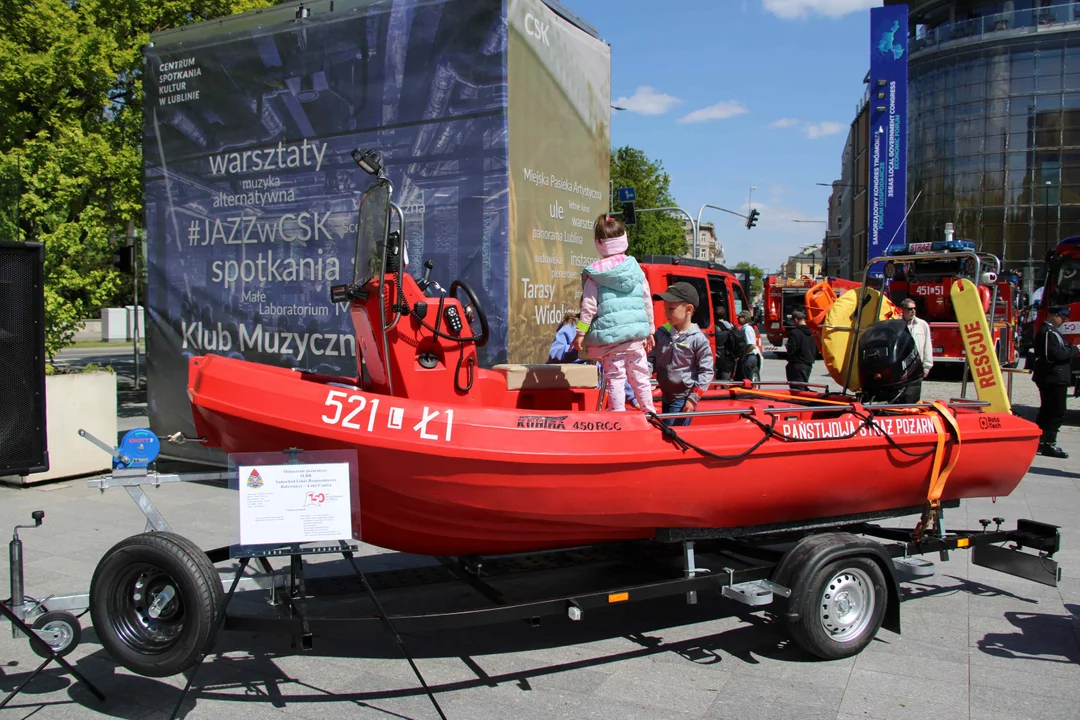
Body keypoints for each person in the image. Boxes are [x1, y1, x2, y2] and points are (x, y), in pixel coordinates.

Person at [573, 216, 656, 413]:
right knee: (641, 376)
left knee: (615, 379)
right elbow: (647, 301)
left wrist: (581, 332)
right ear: (624, 239)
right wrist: (650, 331)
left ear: (599, 244)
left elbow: (589, 306)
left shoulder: (595, 274)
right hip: (636, 337)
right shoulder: (636, 269)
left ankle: (618, 416)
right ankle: (650, 413)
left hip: (612, 341)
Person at [649, 282, 714, 426]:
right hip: (665, 395)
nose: (666, 313)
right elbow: (651, 359)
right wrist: (642, 377)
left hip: (684, 398)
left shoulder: (697, 339)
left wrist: (693, 397)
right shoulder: (662, 333)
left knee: (673, 434)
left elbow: (706, 371)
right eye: (665, 308)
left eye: (671, 309)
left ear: (688, 309)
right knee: (664, 430)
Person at [550, 311, 638, 409]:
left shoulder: (606, 327)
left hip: (600, 395)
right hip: (572, 394)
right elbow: (554, 353)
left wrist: (634, 398)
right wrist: (578, 350)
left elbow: (616, 369)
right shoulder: (573, 325)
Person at [1032, 306, 1079, 458]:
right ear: (1054, 316)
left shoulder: (1052, 332)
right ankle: (1049, 444)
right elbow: (1052, 355)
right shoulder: (1047, 332)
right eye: (1062, 318)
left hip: (1055, 377)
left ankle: (1041, 440)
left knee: (1048, 410)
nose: (1063, 321)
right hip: (1052, 377)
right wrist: (1074, 350)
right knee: (1055, 411)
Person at [899, 297, 933, 403]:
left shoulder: (922, 325)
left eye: (914, 308)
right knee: (900, 396)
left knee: (913, 397)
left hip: (916, 366)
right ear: (902, 310)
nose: (912, 311)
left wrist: (927, 366)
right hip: (900, 367)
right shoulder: (896, 324)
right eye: (909, 309)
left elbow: (927, 346)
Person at [785, 309, 815, 391]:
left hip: (797, 364)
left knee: (797, 390)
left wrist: (787, 347)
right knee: (803, 387)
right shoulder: (812, 333)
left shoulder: (794, 333)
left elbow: (791, 350)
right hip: (808, 364)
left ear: (795, 320)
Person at [712, 305, 745, 381]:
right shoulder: (731, 326)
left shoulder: (714, 326)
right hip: (729, 355)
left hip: (718, 354)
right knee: (727, 378)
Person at [736, 309, 762, 382]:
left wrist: (744, 354)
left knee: (747, 380)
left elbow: (751, 345)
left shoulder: (747, 329)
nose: (737, 319)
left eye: (739, 317)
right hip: (748, 356)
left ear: (745, 318)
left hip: (749, 357)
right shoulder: (744, 328)